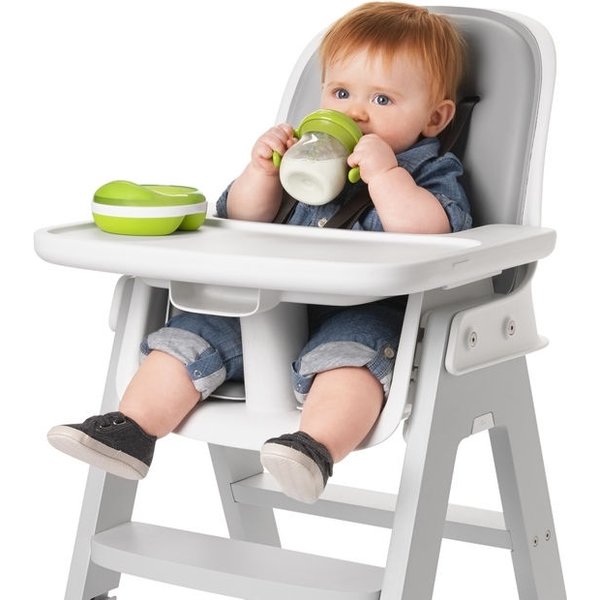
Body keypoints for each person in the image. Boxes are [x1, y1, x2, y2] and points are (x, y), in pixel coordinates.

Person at [47, 2, 471, 503]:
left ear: (434, 118)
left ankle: (312, 450)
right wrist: (262, 171)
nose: (354, 113)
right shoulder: (304, 157)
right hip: (265, 307)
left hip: (366, 312)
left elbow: (429, 230)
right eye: (340, 93)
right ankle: (131, 430)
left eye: (382, 98)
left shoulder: (427, 170)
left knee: (351, 360)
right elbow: (241, 218)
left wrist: (385, 174)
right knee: (190, 335)